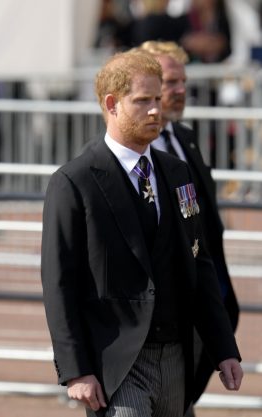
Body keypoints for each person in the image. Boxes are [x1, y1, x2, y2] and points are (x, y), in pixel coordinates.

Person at [40, 50, 243, 417]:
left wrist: (224, 347)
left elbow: (200, 264)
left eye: (157, 99)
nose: (156, 110)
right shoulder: (74, 182)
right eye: (143, 101)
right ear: (112, 104)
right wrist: (77, 370)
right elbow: (59, 285)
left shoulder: (177, 172)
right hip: (116, 365)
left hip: (177, 358)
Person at [138, 40, 240, 417]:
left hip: (204, 295)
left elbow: (206, 225)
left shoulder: (185, 139)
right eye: (169, 81)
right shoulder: (139, 155)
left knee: (182, 398)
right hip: (167, 310)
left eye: (183, 81)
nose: (180, 90)